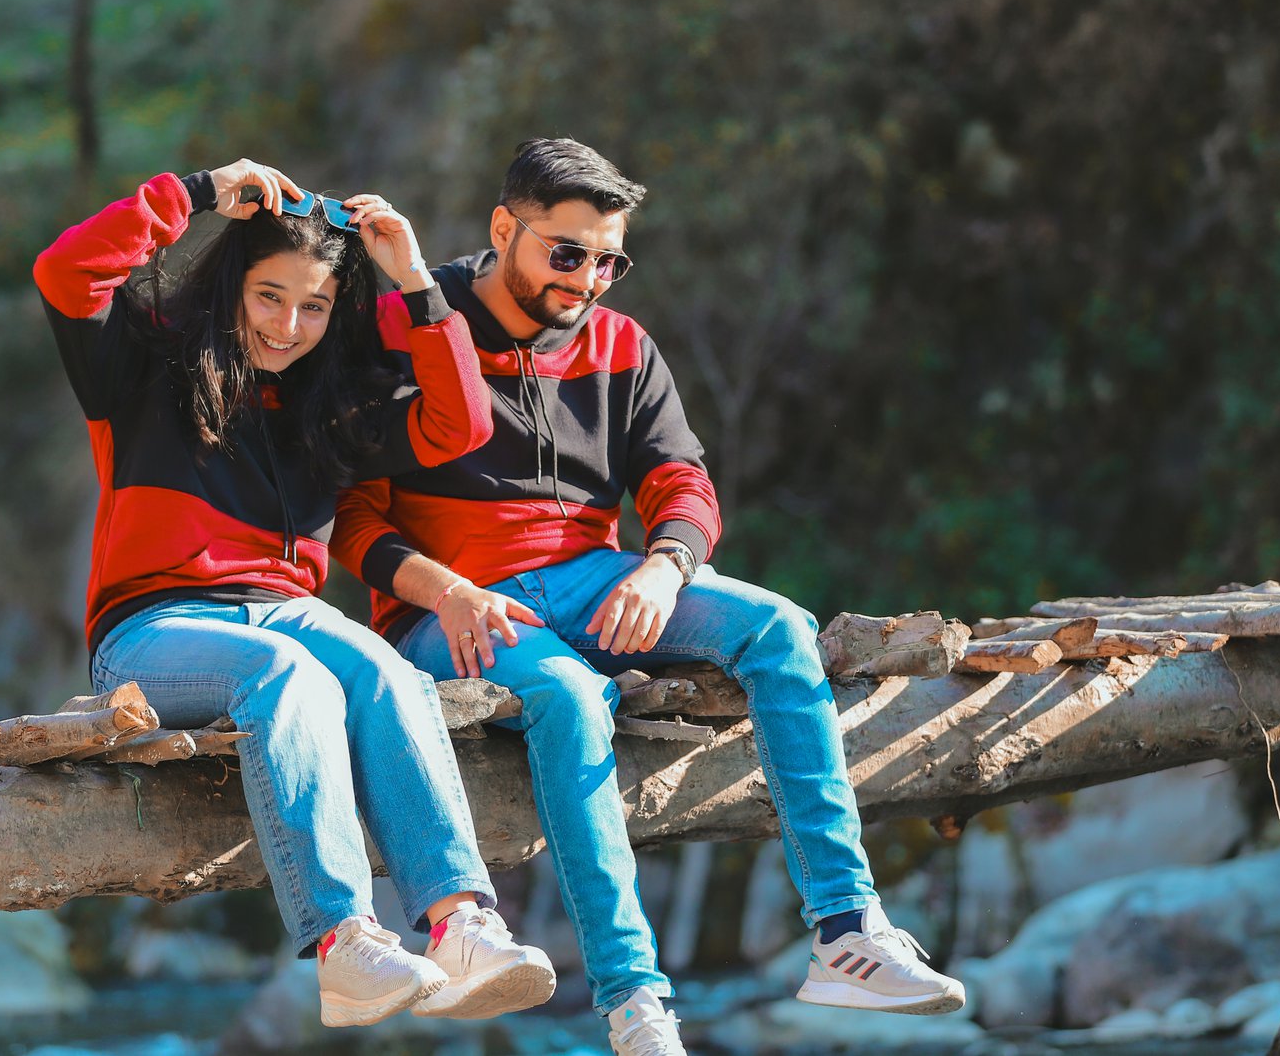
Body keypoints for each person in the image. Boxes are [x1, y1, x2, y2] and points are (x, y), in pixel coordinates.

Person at [334, 139, 966, 1055]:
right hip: (448, 607)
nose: (588, 277)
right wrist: (449, 591)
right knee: (570, 695)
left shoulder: (621, 341)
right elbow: (351, 521)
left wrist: (667, 562)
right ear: (504, 228)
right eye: (567, 252)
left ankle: (847, 932)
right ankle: (635, 1002)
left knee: (781, 628)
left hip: (598, 579)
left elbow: (682, 478)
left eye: (608, 259)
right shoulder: (408, 323)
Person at [34, 159, 555, 1029]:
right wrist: (198, 192)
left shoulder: (329, 403)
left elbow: (459, 422)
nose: (289, 325)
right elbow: (65, 270)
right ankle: (344, 941)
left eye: (313, 306)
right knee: (288, 674)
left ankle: (459, 922)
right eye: (270, 296)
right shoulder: (143, 357)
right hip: (153, 624)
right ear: (234, 280)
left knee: (390, 675)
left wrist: (417, 279)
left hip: (291, 612)